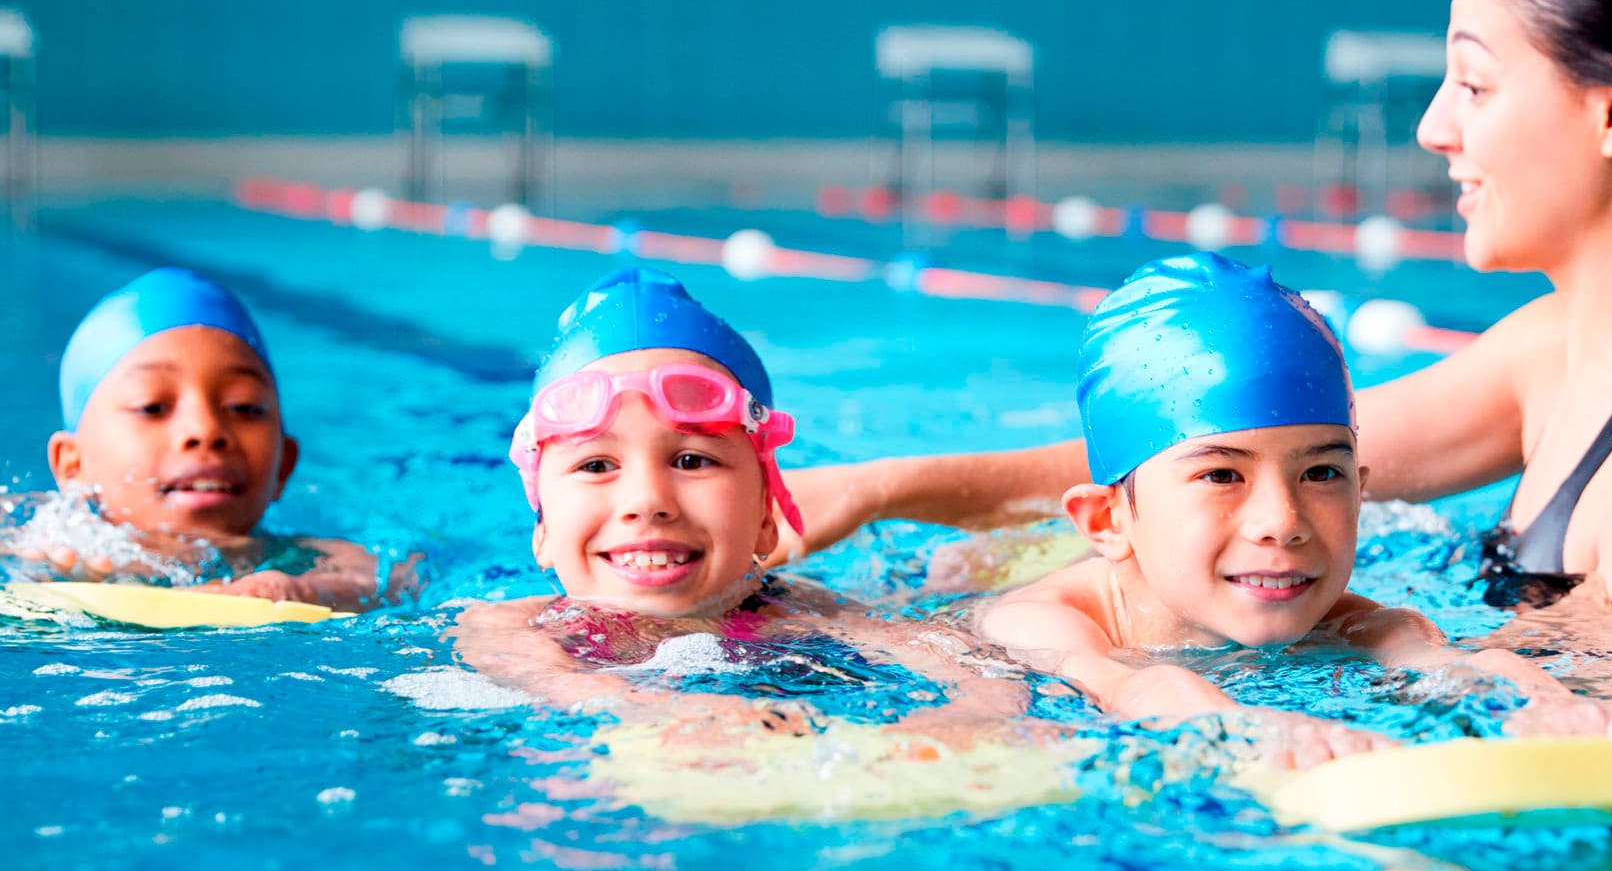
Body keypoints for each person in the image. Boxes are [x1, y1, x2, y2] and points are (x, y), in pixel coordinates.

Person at [778, 0, 1612, 621]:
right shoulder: (1561, 348)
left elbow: (1588, 751)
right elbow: (1203, 456)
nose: (1436, 128)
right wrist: (877, 494)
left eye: (1477, 86)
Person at [977, 254, 1612, 759]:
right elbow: (1126, 686)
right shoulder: (1038, 624)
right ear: (1107, 520)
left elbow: (1438, 660)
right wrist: (1224, 722)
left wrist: (1534, 697)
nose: (1283, 523)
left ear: (1363, 487)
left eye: (1321, 472)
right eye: (1220, 477)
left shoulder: (1353, 621)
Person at [452, 268, 1036, 744]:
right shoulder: (511, 625)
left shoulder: (798, 610)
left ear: (764, 520)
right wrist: (669, 715)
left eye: (690, 460)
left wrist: (967, 715)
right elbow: (563, 687)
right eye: (596, 465)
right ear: (543, 532)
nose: (647, 501)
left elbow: (964, 668)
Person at [8, 268, 400, 610]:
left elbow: (390, 580)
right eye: (152, 406)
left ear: (284, 464)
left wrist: (296, 590)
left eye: (244, 407)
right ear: (72, 465)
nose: (205, 430)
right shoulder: (41, 545)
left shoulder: (302, 562)